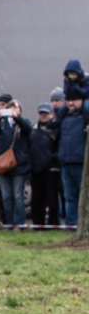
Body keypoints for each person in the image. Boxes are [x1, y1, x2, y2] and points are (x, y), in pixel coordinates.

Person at [0, 95, 32, 230]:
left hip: (19, 165)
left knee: (18, 195)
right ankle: (9, 223)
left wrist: (17, 118)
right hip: (3, 164)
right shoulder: (2, 124)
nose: (12, 109)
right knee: (6, 196)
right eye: (9, 107)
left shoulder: (23, 123)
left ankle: (19, 223)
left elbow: (28, 130)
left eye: (15, 107)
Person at [31, 103, 61, 228]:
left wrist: (51, 159)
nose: (43, 116)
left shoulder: (56, 129)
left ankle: (53, 224)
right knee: (37, 199)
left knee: (52, 199)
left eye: (46, 113)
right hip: (36, 169)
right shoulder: (34, 129)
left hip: (51, 169)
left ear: (52, 114)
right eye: (41, 113)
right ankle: (38, 224)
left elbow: (59, 148)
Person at [60, 92, 85, 227]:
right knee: (69, 197)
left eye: (74, 100)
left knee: (83, 196)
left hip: (81, 163)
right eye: (68, 100)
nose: (70, 103)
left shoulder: (84, 117)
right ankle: (71, 225)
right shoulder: (63, 117)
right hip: (66, 162)